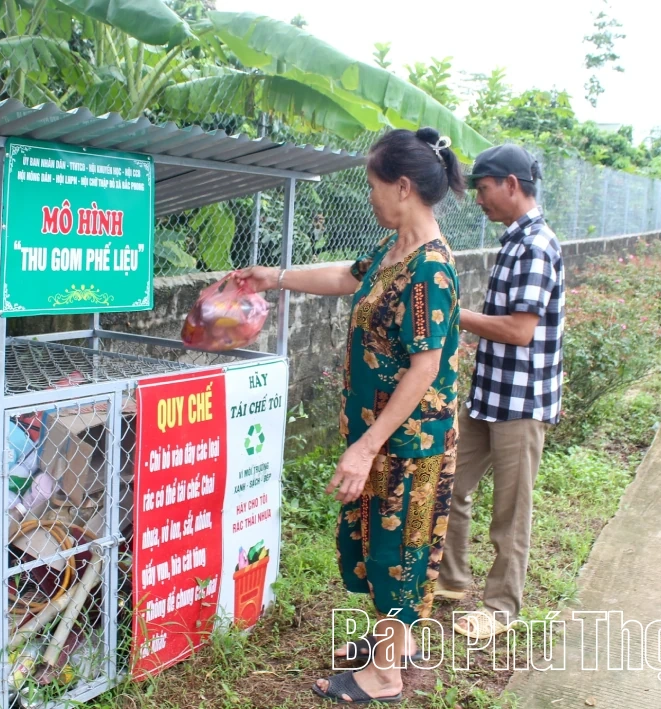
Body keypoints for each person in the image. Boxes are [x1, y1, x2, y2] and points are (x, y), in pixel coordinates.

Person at [237, 127, 464, 704]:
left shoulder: (429, 271)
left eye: (373, 184)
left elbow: (424, 368)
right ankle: (396, 644)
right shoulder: (397, 254)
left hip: (408, 445)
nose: (369, 196)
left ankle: (385, 676)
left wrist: (365, 448)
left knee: (400, 555)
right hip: (381, 437)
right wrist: (276, 277)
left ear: (404, 187)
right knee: (378, 548)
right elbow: (347, 277)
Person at [435, 144, 565, 640]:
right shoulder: (515, 240)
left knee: (510, 511)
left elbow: (518, 331)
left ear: (511, 184)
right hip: (490, 394)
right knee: (450, 484)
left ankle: (501, 607)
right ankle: (450, 581)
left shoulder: (535, 244)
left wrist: (451, 311)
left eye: (484, 189)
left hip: (521, 403)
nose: (478, 200)